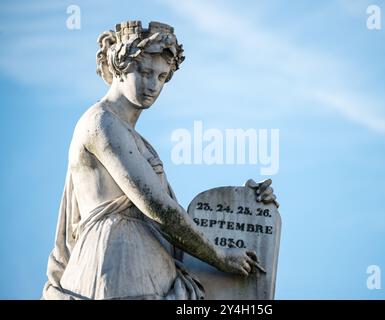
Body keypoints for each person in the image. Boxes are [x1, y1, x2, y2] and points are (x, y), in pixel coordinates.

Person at [42, 21, 278, 300]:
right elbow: (158, 208)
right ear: (120, 65)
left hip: (157, 275)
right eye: (144, 72)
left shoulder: (140, 143)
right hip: (115, 268)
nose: (153, 85)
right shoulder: (101, 122)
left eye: (162, 77)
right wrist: (219, 257)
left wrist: (243, 204)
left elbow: (175, 221)